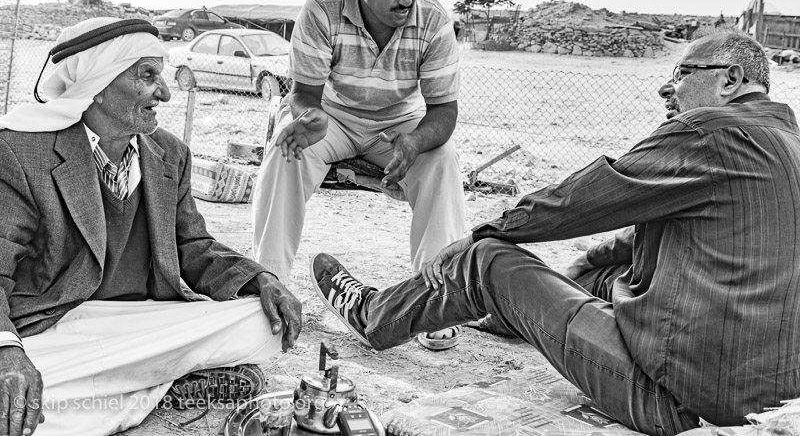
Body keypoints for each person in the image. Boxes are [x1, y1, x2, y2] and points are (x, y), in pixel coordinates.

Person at [309, 29, 800, 435]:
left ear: (731, 80)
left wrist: (484, 232)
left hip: (680, 399)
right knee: (604, 268)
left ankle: (373, 315)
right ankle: (504, 314)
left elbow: (581, 199)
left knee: (489, 261)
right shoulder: (786, 145)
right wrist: (588, 267)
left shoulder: (710, 133)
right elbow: (640, 238)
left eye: (681, 73)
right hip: (768, 394)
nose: (666, 89)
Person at [0, 18, 302, 436]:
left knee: (259, 321)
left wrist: (261, 279)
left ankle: (107, 392)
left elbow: (193, 246)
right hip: (56, 326)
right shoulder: (20, 151)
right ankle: (157, 385)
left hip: (142, 323)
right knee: (15, 370)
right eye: (148, 75)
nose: (165, 91)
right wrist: (7, 352)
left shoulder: (169, 153)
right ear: (98, 84)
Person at [252, 0, 465, 349]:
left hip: (400, 124)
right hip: (330, 117)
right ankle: (269, 284)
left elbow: (444, 111)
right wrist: (308, 119)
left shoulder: (434, 20)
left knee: (442, 161)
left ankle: (437, 302)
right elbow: (304, 93)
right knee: (287, 149)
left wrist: (414, 143)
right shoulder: (322, 8)